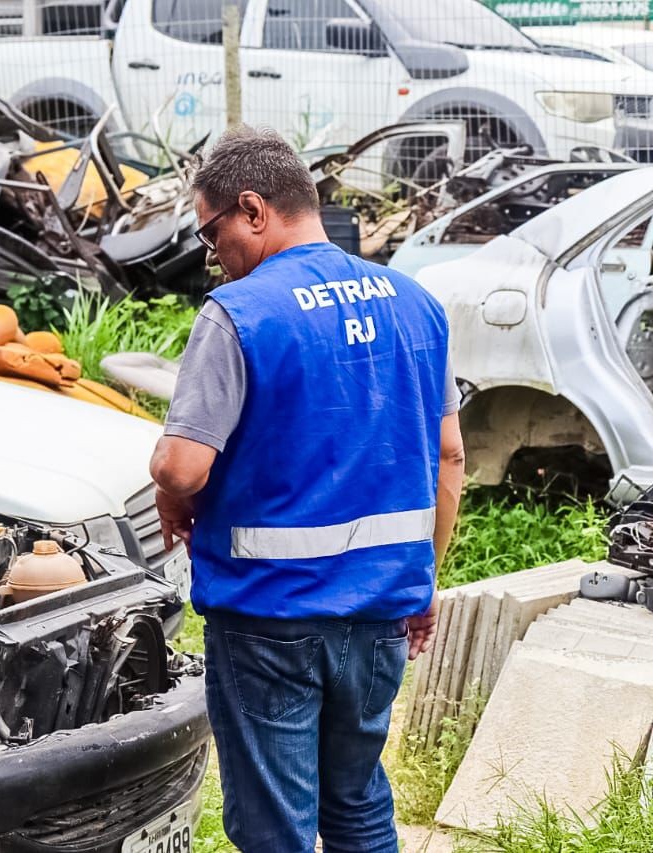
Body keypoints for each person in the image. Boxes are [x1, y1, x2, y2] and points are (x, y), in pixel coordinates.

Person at [149, 127, 466, 853]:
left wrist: (169, 487)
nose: (213, 254)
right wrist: (420, 580)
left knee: (275, 826)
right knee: (356, 801)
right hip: (383, 611)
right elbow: (450, 457)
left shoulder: (239, 314)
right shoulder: (416, 304)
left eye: (210, 231)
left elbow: (180, 468)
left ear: (253, 210)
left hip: (270, 618)